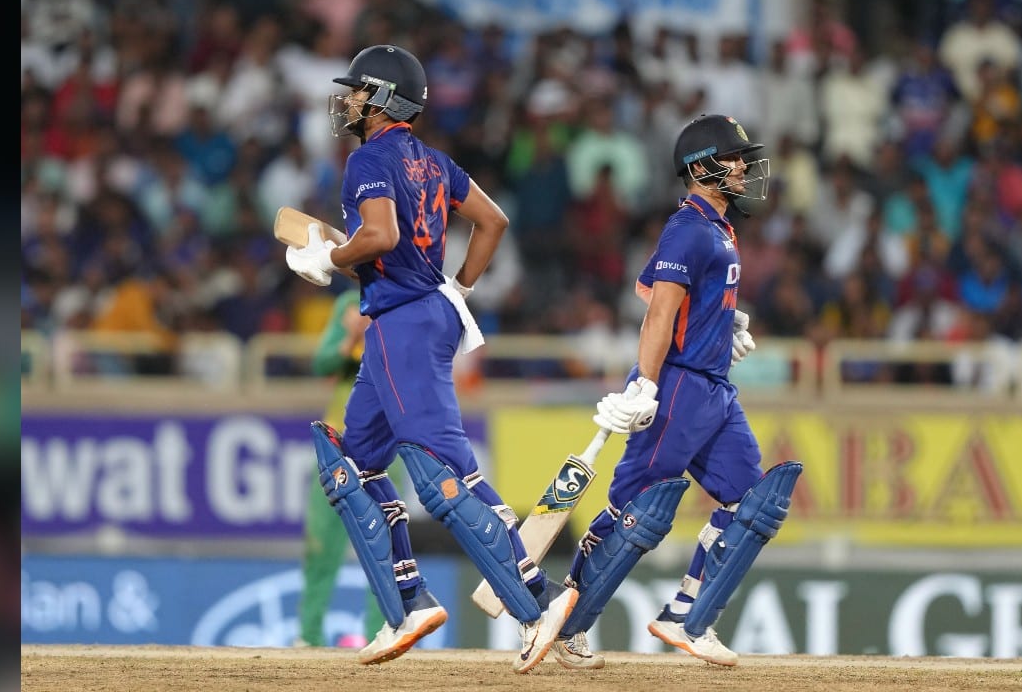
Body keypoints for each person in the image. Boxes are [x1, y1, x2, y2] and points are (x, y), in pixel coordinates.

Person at [281, 44, 578, 674]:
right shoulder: (434, 162)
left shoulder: (366, 159)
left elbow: (381, 236)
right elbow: (492, 222)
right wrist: (461, 287)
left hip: (401, 323)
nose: (349, 101)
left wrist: (326, 260)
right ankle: (408, 603)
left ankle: (537, 604)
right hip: (428, 312)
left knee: (442, 479)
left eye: (359, 91)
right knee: (350, 469)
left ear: (384, 98)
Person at [549, 114, 803, 669]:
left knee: (750, 503)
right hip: (680, 386)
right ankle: (565, 621)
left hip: (714, 386)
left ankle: (688, 613)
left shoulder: (717, 227)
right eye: (733, 157)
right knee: (636, 512)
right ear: (701, 167)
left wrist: (723, 322)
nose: (743, 167)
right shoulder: (687, 228)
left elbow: (663, 295)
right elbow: (659, 310)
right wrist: (644, 381)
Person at [294, 287, 386, 648]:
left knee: (382, 546)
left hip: (381, 447)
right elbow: (323, 365)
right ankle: (309, 635)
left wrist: (370, 332)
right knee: (321, 546)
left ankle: (382, 631)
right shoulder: (350, 304)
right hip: (336, 446)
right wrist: (351, 334)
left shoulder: (405, 300)